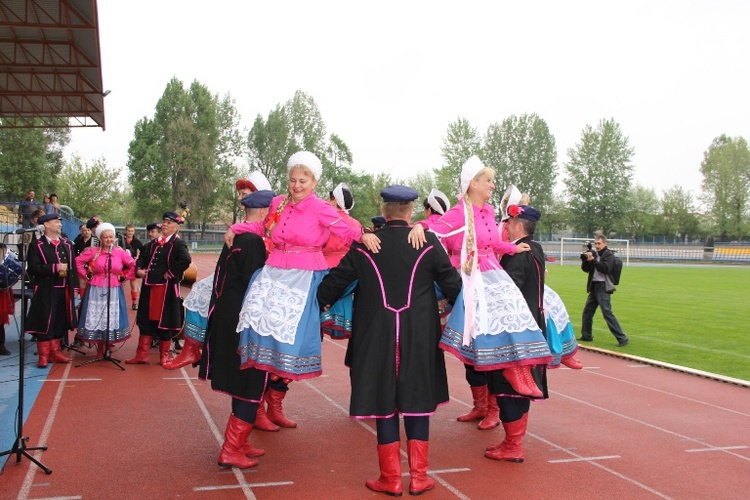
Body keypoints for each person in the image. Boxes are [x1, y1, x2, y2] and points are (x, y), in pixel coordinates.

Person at [318, 185, 462, 496]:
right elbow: (454, 286)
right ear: (411, 212)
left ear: (384, 211)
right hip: (420, 334)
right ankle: (419, 477)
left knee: (384, 403)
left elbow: (331, 287)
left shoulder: (365, 246)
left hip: (377, 335)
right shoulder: (428, 242)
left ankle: (391, 478)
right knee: (418, 401)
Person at [225, 151, 379, 430]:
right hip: (273, 272)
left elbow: (346, 229)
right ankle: (257, 408)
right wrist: (236, 227)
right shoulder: (277, 203)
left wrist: (365, 235)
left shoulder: (320, 207)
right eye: (293, 180)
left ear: (314, 182)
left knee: (288, 344)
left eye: (303, 181)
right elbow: (262, 225)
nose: (297, 186)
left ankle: (275, 404)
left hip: (304, 277)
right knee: (260, 338)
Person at [408, 156, 553, 401]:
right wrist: (419, 226)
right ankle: (511, 369)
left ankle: (520, 368)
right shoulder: (460, 212)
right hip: (471, 272)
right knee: (498, 311)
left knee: (517, 310)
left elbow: (494, 242)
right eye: (488, 180)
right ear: (473, 184)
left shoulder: (487, 210)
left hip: (491, 269)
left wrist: (512, 248)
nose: (492, 185)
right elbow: (438, 226)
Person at [195, 196, 270, 469]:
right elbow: (257, 284)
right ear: (262, 211)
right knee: (250, 381)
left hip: (229, 315)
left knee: (244, 381)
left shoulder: (238, 238)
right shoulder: (251, 242)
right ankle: (231, 448)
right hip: (243, 319)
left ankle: (242, 440)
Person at [485, 204, 548, 462]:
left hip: (516, 330)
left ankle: (513, 446)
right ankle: (514, 442)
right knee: (523, 387)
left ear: (519, 226)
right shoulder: (535, 248)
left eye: (509, 224)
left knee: (508, 386)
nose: (505, 228)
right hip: (533, 327)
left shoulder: (520, 253)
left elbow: (506, 291)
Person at [126, 212, 191, 365]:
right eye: (164, 222)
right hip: (149, 287)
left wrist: (170, 273)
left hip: (165, 289)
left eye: (169, 223)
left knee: (164, 321)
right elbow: (142, 258)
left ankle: (164, 356)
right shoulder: (154, 243)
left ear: (176, 227)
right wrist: (140, 269)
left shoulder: (178, 244)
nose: (165, 225)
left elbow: (186, 260)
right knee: (145, 319)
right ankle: (142, 354)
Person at [24, 213, 79, 367]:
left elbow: (73, 268)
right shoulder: (37, 245)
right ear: (46, 225)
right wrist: (54, 268)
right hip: (45, 290)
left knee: (59, 320)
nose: (59, 225)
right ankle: (43, 354)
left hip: (63, 289)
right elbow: (33, 268)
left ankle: (55, 352)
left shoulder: (67, 244)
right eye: (56, 222)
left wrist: (74, 287)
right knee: (44, 320)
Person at [75, 223, 136, 358]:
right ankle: (99, 347)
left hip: (114, 288)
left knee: (111, 316)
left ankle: (108, 347)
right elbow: (77, 261)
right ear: (100, 238)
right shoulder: (93, 251)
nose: (109, 240)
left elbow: (133, 264)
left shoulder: (120, 252)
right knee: (98, 315)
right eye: (105, 237)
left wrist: (125, 277)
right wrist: (85, 275)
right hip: (96, 288)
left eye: (111, 237)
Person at [320, 182, 362, 338]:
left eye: (329, 198)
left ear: (335, 201)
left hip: (326, 269)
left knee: (319, 308)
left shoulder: (327, 220)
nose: (326, 200)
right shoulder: (356, 223)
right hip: (349, 273)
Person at [580, 235, 629, 347]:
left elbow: (605, 269)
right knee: (587, 312)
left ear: (605, 244)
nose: (596, 246)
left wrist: (593, 261)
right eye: (595, 243)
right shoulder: (594, 254)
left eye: (599, 243)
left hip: (604, 286)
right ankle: (586, 335)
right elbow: (586, 270)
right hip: (594, 286)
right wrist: (585, 261)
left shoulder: (609, 255)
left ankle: (622, 338)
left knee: (607, 312)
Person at [118, 224, 145, 310]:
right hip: (122, 264)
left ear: (134, 232)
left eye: (132, 231)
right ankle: (119, 301)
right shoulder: (120, 240)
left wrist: (138, 257)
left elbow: (144, 251)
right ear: (126, 231)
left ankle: (134, 303)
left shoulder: (137, 241)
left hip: (132, 265)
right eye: (128, 231)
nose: (130, 233)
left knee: (133, 284)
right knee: (120, 282)